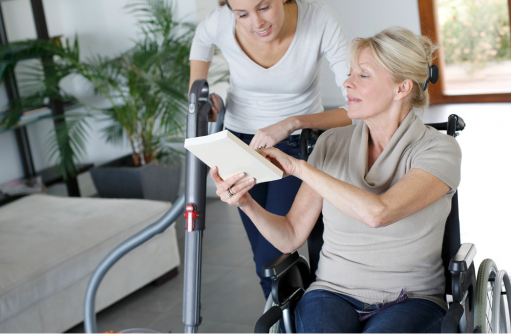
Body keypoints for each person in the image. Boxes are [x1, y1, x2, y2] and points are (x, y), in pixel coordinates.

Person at [210, 26, 461, 333]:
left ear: (402, 88)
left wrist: (301, 168)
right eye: (350, 73)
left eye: (363, 75)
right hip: (331, 293)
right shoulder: (331, 143)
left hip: (411, 299)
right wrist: (246, 202)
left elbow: (378, 213)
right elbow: (290, 235)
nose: (346, 82)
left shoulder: (439, 149)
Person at [189, 0, 352, 299]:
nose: (257, 23)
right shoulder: (220, 21)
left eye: (264, 7)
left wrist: (291, 123)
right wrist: (197, 94)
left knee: (277, 249)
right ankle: (283, 322)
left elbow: (356, 107)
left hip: (296, 144)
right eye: (242, 14)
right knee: (264, 261)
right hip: (238, 142)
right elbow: (201, 40)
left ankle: (306, 314)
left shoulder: (318, 19)